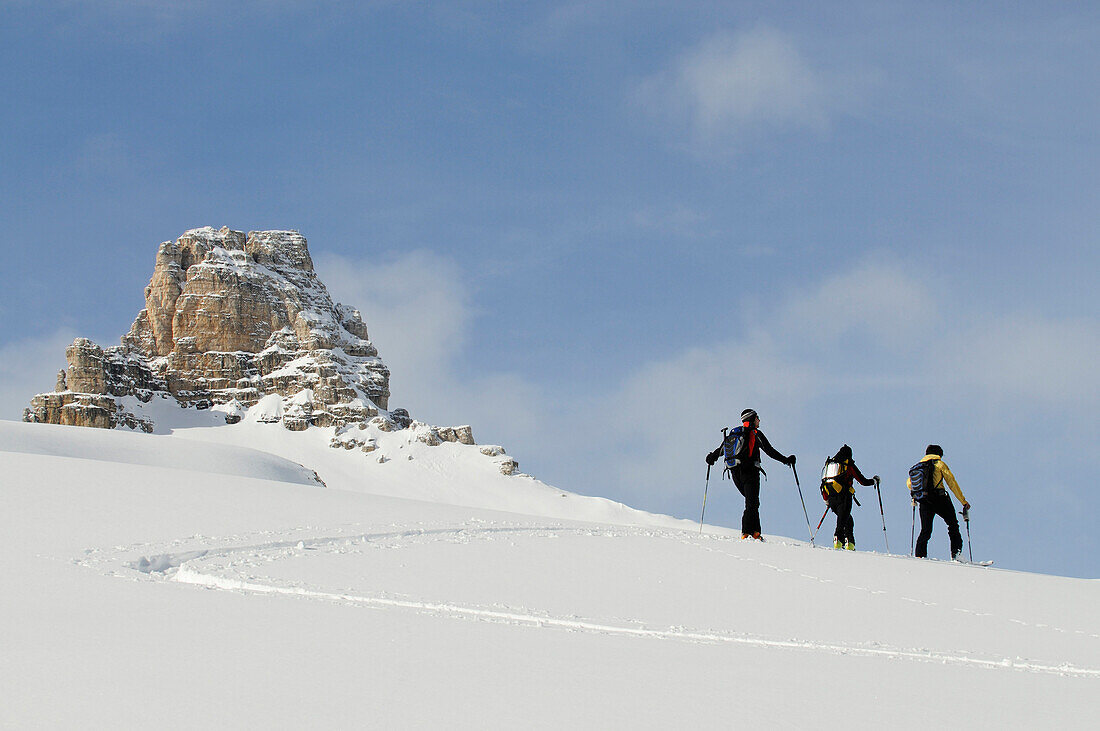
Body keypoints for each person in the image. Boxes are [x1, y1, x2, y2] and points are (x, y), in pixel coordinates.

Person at [706, 409, 795, 540]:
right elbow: (770, 451)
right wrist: (786, 460)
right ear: (752, 419)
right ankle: (747, 532)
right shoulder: (755, 433)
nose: (759, 420)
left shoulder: (734, 434)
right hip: (750, 471)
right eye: (757, 417)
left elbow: (720, 450)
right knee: (751, 502)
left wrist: (711, 458)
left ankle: (755, 532)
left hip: (735, 472)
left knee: (753, 502)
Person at [907, 444, 970, 559]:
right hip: (940, 498)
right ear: (939, 454)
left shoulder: (917, 467)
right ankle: (956, 554)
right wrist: (963, 501)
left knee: (925, 530)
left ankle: (920, 556)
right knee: (953, 525)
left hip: (924, 500)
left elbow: (909, 484)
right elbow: (952, 483)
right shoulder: (939, 464)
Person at [821, 445, 878, 550]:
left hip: (831, 497)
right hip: (844, 497)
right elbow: (862, 481)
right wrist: (874, 481)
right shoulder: (847, 464)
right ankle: (841, 542)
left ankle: (847, 543)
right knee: (843, 521)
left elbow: (823, 483)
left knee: (847, 520)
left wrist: (826, 500)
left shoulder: (830, 465)